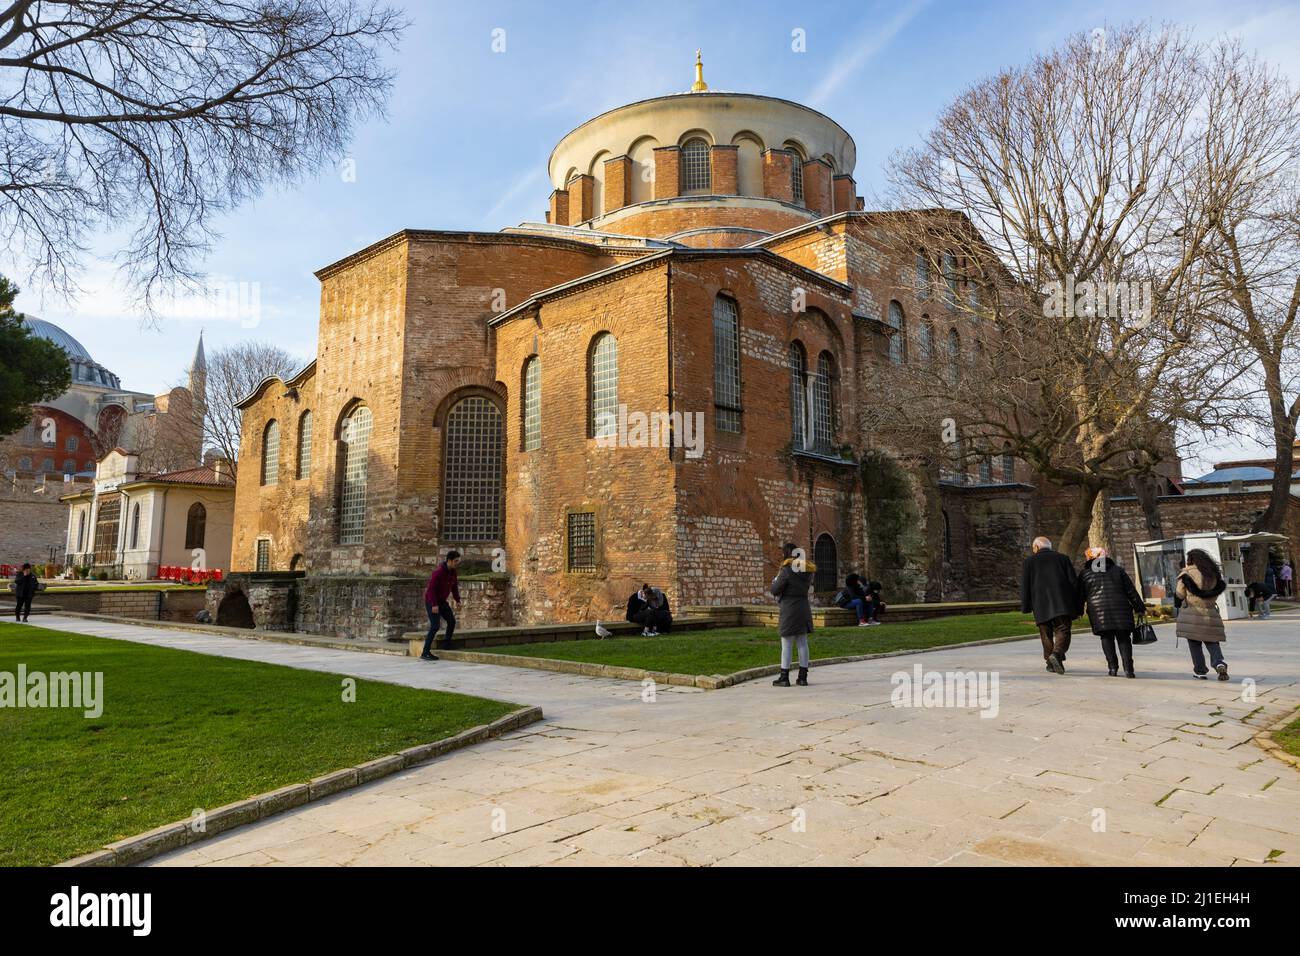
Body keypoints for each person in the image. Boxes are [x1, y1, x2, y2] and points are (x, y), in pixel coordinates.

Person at [1075, 547, 1145, 678]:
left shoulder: (1085, 574)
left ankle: (1113, 668)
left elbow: (1080, 596)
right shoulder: (1118, 571)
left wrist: (1078, 611)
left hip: (1098, 612)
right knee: (1124, 638)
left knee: (1106, 638)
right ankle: (1129, 670)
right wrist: (1139, 608)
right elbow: (1131, 591)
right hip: (1121, 610)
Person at [1020, 536, 1078, 674]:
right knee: (1063, 630)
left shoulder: (1029, 562)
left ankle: (1050, 662)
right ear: (1049, 546)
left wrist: (1026, 606)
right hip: (1062, 602)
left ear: (1036, 547)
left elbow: (1025, 586)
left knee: (1045, 633)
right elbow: (1073, 582)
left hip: (1040, 603)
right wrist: (1077, 604)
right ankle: (1056, 655)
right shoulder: (1063, 559)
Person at [1175, 549, 1228, 681]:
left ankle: (1200, 671)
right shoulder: (1213, 575)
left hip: (1192, 613)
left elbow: (1180, 594)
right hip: (1210, 612)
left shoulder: (1187, 574)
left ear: (1190, 560)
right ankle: (1219, 663)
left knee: (1194, 643)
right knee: (1212, 641)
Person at [770, 542, 814, 687]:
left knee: (787, 644)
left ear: (786, 554)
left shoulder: (786, 570)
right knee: (802, 642)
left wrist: (775, 580)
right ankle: (803, 677)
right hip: (803, 607)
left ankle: (784, 677)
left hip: (789, 608)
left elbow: (775, 589)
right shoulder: (807, 571)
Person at [420, 550, 462, 661]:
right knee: (435, 626)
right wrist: (434, 604)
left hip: (442, 602)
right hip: (432, 601)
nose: (457, 563)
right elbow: (431, 590)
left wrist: (457, 600)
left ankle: (446, 644)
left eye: (458, 561)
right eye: (456, 561)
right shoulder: (438, 572)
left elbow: (454, 587)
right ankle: (425, 652)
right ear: (449, 561)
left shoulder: (453, 572)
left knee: (451, 621)